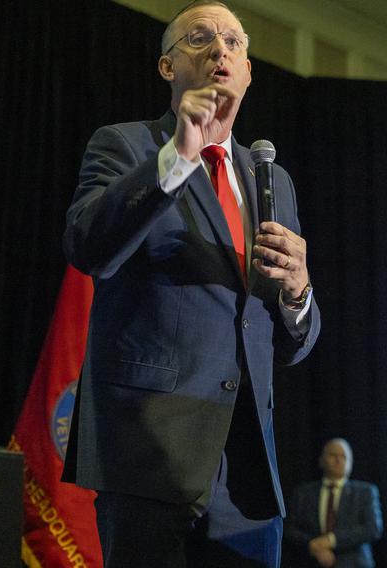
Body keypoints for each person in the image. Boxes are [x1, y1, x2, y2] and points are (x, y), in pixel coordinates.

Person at [60, 1, 320, 566]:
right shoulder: (126, 145)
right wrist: (180, 153)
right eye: (200, 38)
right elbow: (88, 247)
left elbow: (289, 339)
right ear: (168, 68)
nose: (220, 50)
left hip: (249, 466)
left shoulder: (272, 178)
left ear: (249, 70)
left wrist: (298, 291)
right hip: (151, 451)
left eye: (234, 41)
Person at [285, 439, 382, 567]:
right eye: (333, 455)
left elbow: (373, 528)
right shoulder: (302, 493)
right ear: (321, 460)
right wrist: (312, 545)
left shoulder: (366, 492)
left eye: (344, 456)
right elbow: (289, 528)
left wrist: (330, 540)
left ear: (350, 463)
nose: (338, 460)